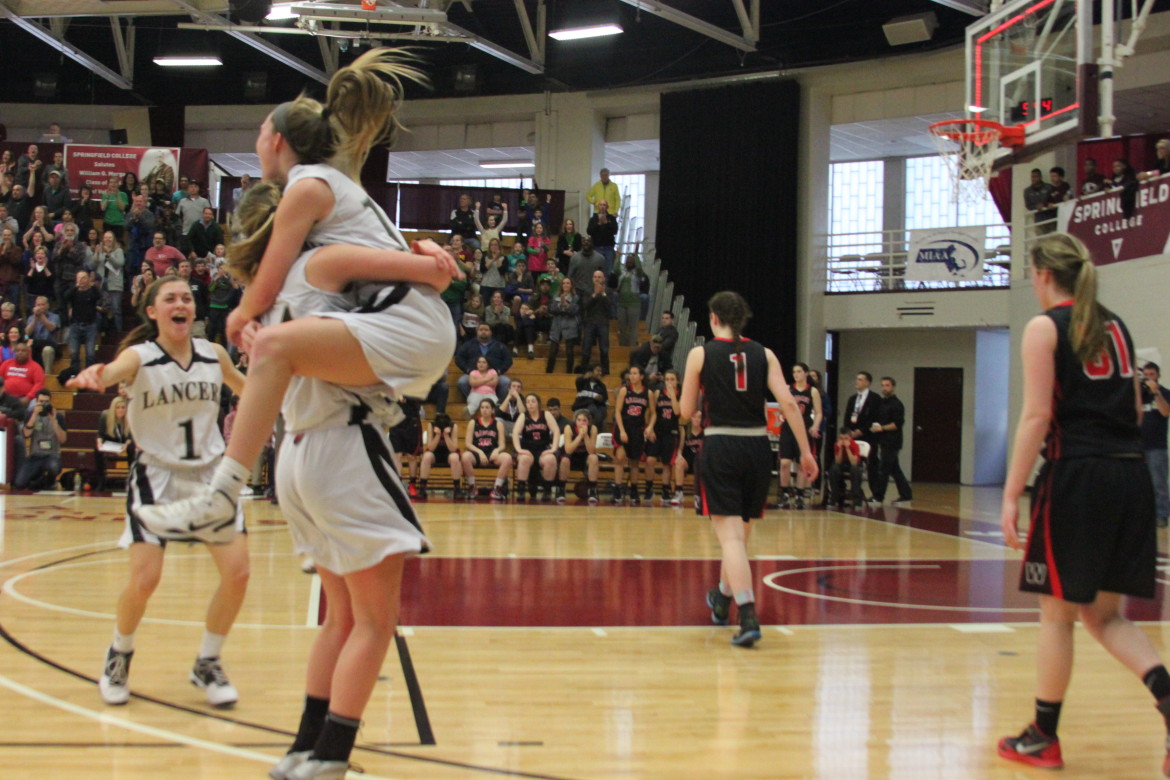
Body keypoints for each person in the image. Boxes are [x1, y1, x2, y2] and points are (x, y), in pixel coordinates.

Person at [997, 232, 1170, 773]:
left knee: (1057, 613)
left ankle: (1043, 735)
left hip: (1080, 478)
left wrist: (1010, 493)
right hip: (1131, 476)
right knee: (1104, 615)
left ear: (1043, 276)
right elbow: (1139, 414)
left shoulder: (1045, 327)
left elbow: (1036, 417)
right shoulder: (1115, 323)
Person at [64, 278, 248, 708]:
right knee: (146, 580)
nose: (180, 303)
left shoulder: (213, 353)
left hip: (210, 476)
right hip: (157, 476)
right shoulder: (140, 357)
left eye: (186, 297)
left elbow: (248, 387)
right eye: (170, 299)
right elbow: (110, 373)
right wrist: (97, 374)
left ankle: (207, 661)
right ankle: (119, 654)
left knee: (238, 574)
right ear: (153, 312)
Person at [680, 291, 817, 648]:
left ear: (713, 318)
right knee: (740, 538)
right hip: (757, 447)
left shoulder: (700, 354)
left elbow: (683, 411)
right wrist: (806, 452)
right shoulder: (765, 353)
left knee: (731, 539)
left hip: (721, 444)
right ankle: (724, 597)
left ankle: (749, 613)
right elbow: (787, 403)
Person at [777, 362, 822, 510]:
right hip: (788, 428)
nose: (796, 374)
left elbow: (819, 412)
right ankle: (784, 493)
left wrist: (815, 425)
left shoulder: (813, 391)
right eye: (794, 372)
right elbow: (782, 407)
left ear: (806, 373)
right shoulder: (788, 389)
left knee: (802, 464)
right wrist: (781, 414)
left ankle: (800, 495)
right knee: (785, 463)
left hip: (804, 428)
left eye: (799, 371)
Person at [612, 364, 654, 505]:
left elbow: (654, 413)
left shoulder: (648, 393)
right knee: (620, 457)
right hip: (623, 426)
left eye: (635, 373)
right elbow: (617, 411)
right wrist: (622, 430)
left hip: (637, 429)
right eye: (631, 373)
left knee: (634, 461)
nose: (632, 376)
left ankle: (634, 489)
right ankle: (617, 488)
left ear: (641, 376)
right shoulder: (625, 390)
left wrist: (650, 427)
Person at [461, 398, 513, 501]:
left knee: (507, 458)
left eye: (487, 407)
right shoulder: (473, 422)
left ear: (493, 410)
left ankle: (497, 489)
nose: (484, 410)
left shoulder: (498, 424)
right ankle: (472, 487)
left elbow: (502, 444)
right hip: (477, 452)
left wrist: (496, 450)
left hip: (492, 453)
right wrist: (479, 452)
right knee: (465, 457)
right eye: (482, 407)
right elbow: (468, 443)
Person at [871, 376, 913, 504]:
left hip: (892, 441)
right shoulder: (883, 403)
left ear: (893, 387)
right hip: (883, 440)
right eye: (883, 385)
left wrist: (881, 428)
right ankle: (906, 493)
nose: (884, 388)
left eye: (887, 385)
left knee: (884, 469)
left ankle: (878, 496)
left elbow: (897, 424)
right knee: (894, 469)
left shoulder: (897, 404)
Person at [512, 392, 559, 502]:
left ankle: (547, 490)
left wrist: (554, 448)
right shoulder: (523, 416)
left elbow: (556, 430)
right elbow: (515, 433)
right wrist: (519, 449)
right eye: (528, 402)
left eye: (533, 401)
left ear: (538, 403)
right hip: (527, 449)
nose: (530, 404)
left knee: (551, 459)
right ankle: (521, 491)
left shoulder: (546, 414)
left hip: (542, 449)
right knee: (524, 459)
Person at [644, 368, 681, 504]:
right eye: (667, 379)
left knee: (667, 464)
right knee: (650, 460)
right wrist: (650, 428)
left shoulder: (680, 394)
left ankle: (665, 490)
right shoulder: (658, 392)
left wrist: (672, 396)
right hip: (657, 431)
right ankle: (649, 488)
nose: (669, 382)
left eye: (672, 379)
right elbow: (651, 412)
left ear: (677, 381)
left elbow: (677, 412)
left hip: (671, 432)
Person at [842, 371, 881, 501]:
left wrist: (862, 431)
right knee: (852, 464)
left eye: (860, 379)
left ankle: (876, 494)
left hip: (868, 437)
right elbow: (847, 417)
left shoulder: (875, 398)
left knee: (872, 465)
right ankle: (853, 491)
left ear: (867, 382)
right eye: (856, 379)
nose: (857, 381)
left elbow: (875, 418)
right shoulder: (853, 399)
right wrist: (849, 432)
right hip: (852, 437)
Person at [1141, 363, 1170, 528]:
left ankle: (1162, 515)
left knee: (1159, 483)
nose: (1148, 377)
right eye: (1146, 374)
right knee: (1141, 484)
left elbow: (1165, 412)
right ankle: (1144, 515)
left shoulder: (1165, 393)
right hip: (1138, 446)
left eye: (1151, 374)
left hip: (1157, 447)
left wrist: (1156, 392)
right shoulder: (1140, 395)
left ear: (1157, 375)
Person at [417, 412, 462, 500]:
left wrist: (446, 435)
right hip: (435, 452)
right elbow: (430, 448)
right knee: (426, 456)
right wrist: (437, 435)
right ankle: (422, 487)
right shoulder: (431, 425)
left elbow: (453, 449)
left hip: (448, 452)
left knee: (455, 457)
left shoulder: (453, 426)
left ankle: (457, 488)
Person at [559, 409, 600, 504]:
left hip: (585, 456)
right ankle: (561, 489)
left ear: (588, 422)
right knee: (564, 460)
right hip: (572, 455)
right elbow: (568, 450)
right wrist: (579, 436)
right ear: (575, 420)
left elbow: (591, 451)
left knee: (594, 458)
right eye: (579, 420)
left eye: (584, 420)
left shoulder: (593, 428)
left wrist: (585, 436)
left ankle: (592, 490)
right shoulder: (569, 428)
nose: (581, 423)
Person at [94, 395, 134, 491]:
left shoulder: (131, 417)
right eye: (118, 407)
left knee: (132, 448)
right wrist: (99, 443)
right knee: (97, 450)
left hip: (125, 441)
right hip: (111, 440)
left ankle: (131, 479)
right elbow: (100, 434)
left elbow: (131, 436)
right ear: (113, 408)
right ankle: (101, 480)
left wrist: (126, 445)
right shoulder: (105, 416)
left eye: (123, 407)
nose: (120, 410)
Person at [578, 269, 613, 375]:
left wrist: (602, 294)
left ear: (604, 279)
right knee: (586, 349)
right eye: (595, 277)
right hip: (590, 322)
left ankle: (606, 372)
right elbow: (585, 306)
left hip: (603, 323)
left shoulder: (609, 291)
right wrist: (594, 295)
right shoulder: (587, 291)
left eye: (599, 277)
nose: (597, 279)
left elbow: (610, 307)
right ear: (592, 279)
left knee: (604, 349)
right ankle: (584, 371)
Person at [546, 277, 579, 374]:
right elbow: (551, 309)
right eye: (564, 283)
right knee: (552, 352)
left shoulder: (575, 297)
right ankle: (548, 373)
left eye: (568, 283)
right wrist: (561, 306)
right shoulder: (555, 296)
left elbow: (574, 311)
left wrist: (565, 305)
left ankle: (569, 373)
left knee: (569, 352)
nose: (565, 285)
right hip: (557, 325)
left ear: (571, 285)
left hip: (570, 326)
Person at [670, 410, 703, 506]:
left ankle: (700, 496)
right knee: (678, 462)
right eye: (694, 417)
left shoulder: (705, 430)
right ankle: (679, 493)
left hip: (700, 459)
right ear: (690, 418)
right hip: (688, 460)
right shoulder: (685, 429)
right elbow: (680, 448)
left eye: (699, 417)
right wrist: (679, 456)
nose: (696, 419)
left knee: (704, 464)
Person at [827, 427, 865, 509]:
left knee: (855, 470)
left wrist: (848, 448)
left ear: (850, 438)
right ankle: (834, 497)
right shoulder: (837, 444)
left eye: (846, 438)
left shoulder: (854, 445)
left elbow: (854, 462)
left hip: (853, 464)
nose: (843, 441)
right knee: (834, 469)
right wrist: (840, 448)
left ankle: (857, 500)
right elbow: (838, 461)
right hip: (842, 464)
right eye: (841, 438)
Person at [572, 363, 608, 429]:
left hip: (597, 409)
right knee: (592, 409)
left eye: (601, 371)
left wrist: (600, 399)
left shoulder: (602, 386)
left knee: (601, 416)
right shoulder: (582, 382)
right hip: (582, 407)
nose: (600, 373)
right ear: (591, 371)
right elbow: (578, 381)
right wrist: (584, 377)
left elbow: (605, 401)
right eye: (598, 371)